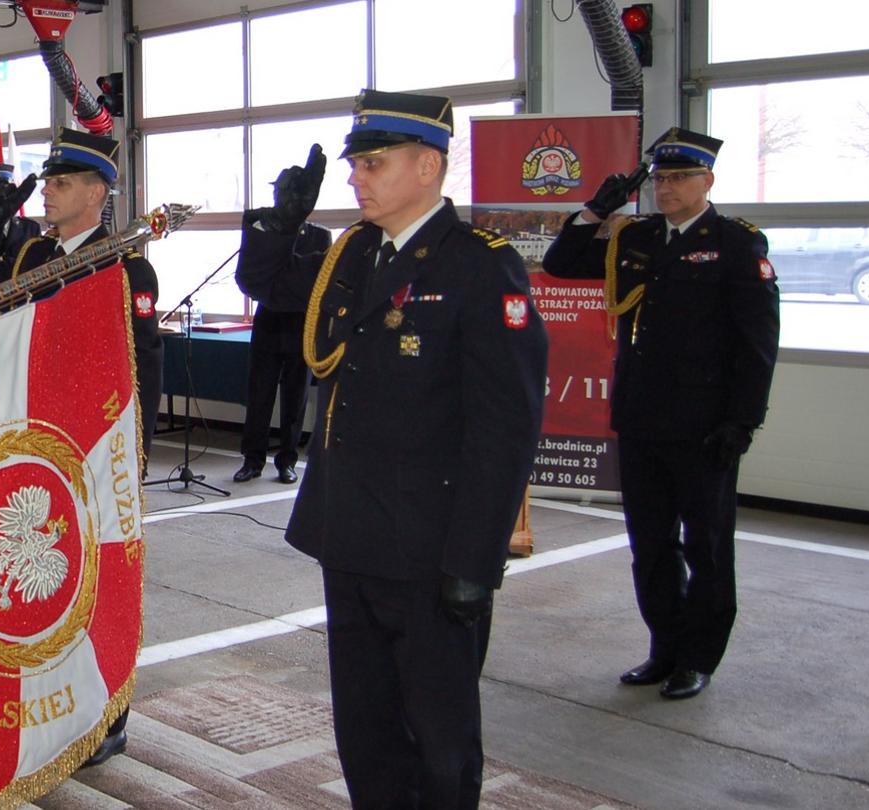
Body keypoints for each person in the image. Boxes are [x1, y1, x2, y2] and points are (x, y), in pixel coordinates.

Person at [287, 90, 548, 808]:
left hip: (431, 549)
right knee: (364, 728)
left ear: (427, 167)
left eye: (373, 163)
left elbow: (505, 427)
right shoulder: (355, 254)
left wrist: (475, 558)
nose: (356, 178)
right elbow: (275, 294)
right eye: (356, 165)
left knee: (439, 735)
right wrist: (281, 226)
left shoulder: (478, 267)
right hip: (351, 532)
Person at [541, 127, 779, 701]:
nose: (667, 189)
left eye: (679, 178)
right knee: (650, 546)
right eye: (661, 179)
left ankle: (698, 658)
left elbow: (756, 344)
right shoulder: (637, 236)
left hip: (704, 427)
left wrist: (741, 423)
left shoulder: (736, 243)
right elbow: (561, 261)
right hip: (642, 419)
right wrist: (599, 208)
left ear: (707, 181)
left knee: (707, 547)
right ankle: (664, 648)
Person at [0, 127, 160, 768]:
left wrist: (133, 454)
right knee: (51, 585)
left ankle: (110, 717)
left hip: (98, 452)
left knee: (102, 587)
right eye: (46, 181)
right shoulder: (34, 254)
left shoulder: (127, 264)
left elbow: (140, 370)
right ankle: (57, 707)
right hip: (39, 443)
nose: (48, 190)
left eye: (61, 182)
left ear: (97, 192)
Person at [232, 144, 331, 486]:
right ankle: (252, 459)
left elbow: (312, 284)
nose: (280, 197)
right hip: (269, 323)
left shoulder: (320, 235)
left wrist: (286, 281)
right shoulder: (263, 228)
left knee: (295, 398)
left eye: (285, 191)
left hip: (302, 325)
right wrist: (287, 280)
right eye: (278, 191)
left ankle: (286, 460)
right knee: (259, 395)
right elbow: (256, 280)